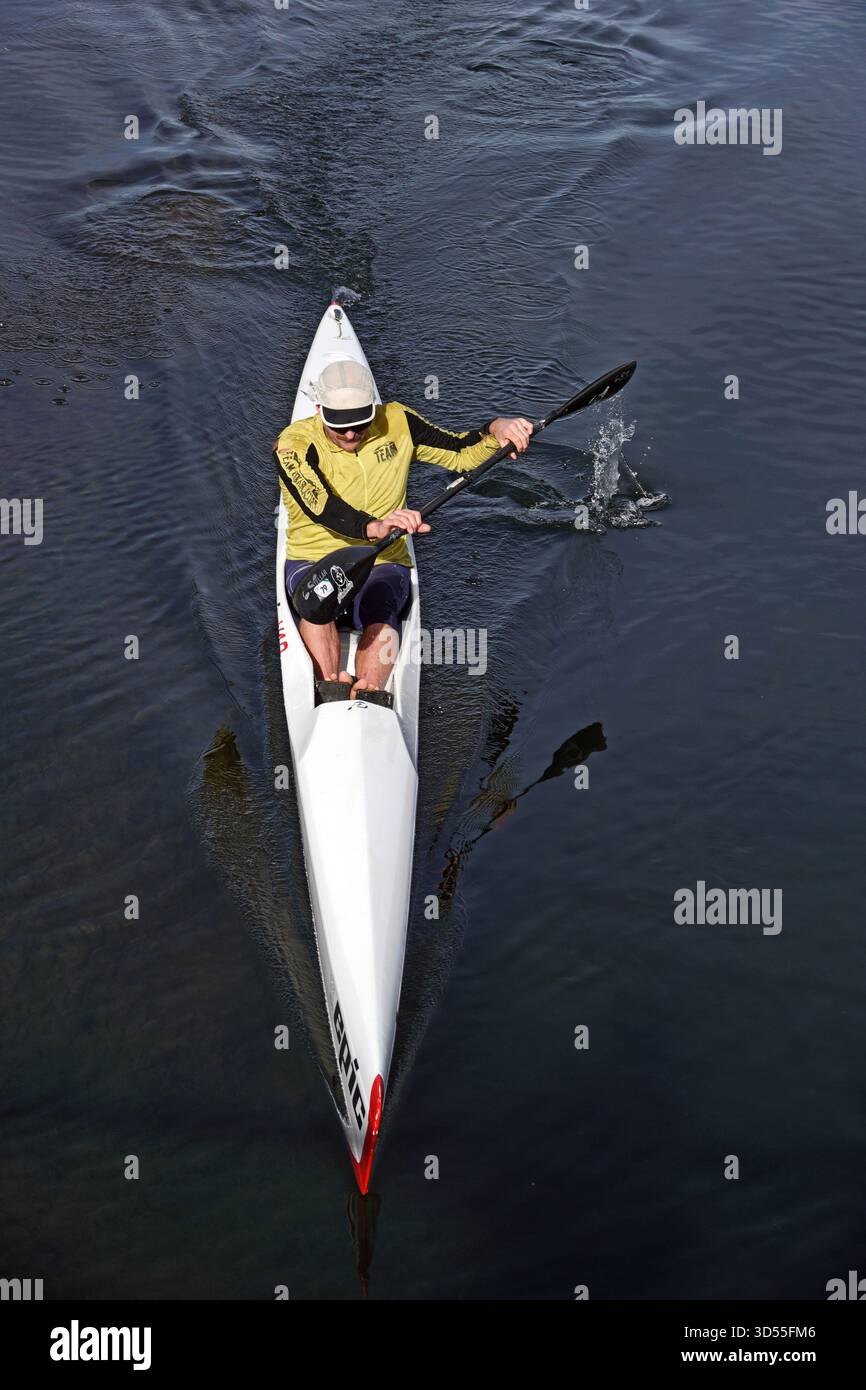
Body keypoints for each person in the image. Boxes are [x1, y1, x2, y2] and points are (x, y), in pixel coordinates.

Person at [275, 357, 532, 701]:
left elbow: (459, 453)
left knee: (381, 610)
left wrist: (495, 430)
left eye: (360, 423)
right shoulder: (292, 443)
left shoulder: (398, 421)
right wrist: (377, 526)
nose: (351, 434)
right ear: (319, 409)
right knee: (318, 607)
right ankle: (327, 690)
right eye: (339, 425)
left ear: (373, 407)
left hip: (384, 558)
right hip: (313, 555)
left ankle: (369, 692)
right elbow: (320, 506)